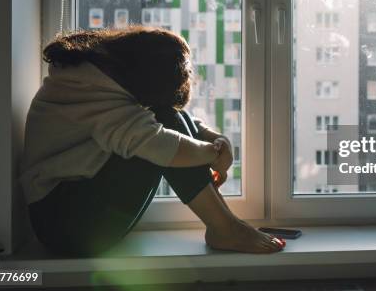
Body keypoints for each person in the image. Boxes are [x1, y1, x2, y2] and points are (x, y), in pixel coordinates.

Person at [20, 26, 285, 256]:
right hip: (66, 228)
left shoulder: (99, 74)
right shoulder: (87, 92)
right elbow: (159, 142)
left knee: (166, 121)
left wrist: (211, 137)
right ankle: (225, 228)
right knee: (164, 137)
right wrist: (211, 153)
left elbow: (157, 118)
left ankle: (224, 225)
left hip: (71, 212)